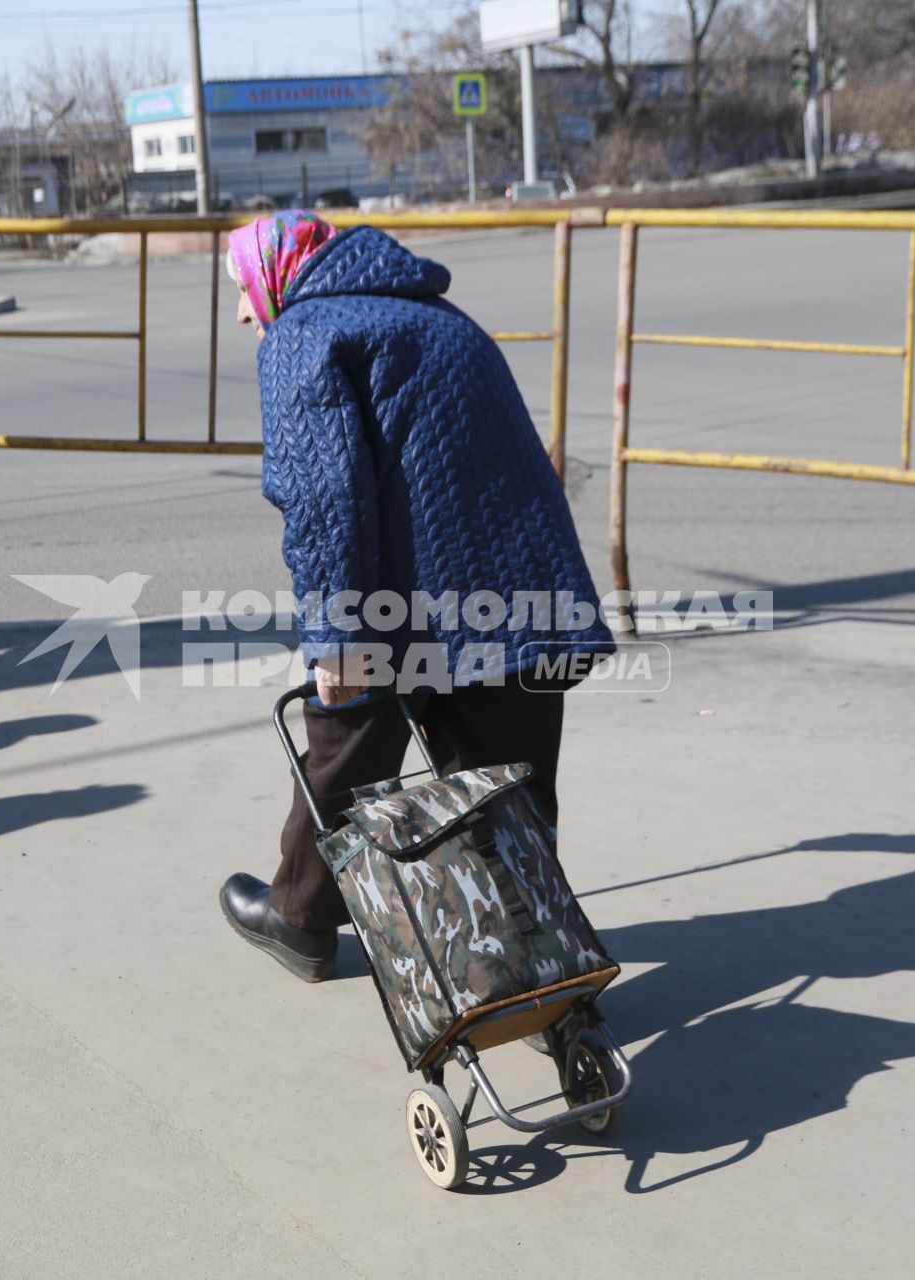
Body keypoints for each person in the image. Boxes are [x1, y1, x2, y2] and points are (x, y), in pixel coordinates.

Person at [217, 211, 614, 982]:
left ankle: (299, 918)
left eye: (240, 287)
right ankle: (540, 975)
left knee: (347, 738)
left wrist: (335, 636)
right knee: (510, 801)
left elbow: (325, 496)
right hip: (529, 599)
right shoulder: (439, 314)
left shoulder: (304, 330)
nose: (241, 309)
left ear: (278, 272)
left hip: (416, 605)